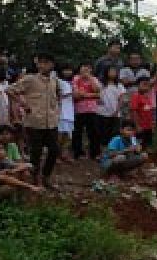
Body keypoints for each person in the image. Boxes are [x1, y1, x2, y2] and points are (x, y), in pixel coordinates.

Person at [10, 53, 61, 190]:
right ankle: (35, 179)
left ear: (52, 65)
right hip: (34, 122)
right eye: (40, 62)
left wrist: (56, 111)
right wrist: (23, 103)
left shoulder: (54, 80)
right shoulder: (30, 79)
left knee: (54, 150)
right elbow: (10, 90)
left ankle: (46, 177)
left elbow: (58, 96)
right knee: (36, 152)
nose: (43, 65)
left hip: (51, 122)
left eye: (46, 62)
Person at [71, 62, 102, 160]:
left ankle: (95, 153)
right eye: (84, 67)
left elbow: (98, 92)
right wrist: (92, 95)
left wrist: (90, 78)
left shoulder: (94, 79)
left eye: (88, 68)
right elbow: (76, 94)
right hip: (79, 110)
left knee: (94, 132)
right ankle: (78, 152)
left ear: (91, 70)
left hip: (92, 110)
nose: (86, 69)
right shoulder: (76, 78)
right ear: (79, 69)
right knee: (77, 132)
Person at [97, 65, 125, 151]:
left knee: (114, 133)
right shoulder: (100, 84)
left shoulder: (119, 85)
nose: (113, 73)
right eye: (111, 71)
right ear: (106, 72)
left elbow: (121, 99)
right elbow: (96, 94)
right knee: (102, 133)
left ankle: (112, 151)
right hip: (102, 112)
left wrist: (117, 110)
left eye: (114, 71)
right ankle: (103, 151)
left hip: (115, 113)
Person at [129, 75, 157, 148]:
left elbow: (150, 113)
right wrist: (137, 126)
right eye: (144, 84)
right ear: (138, 85)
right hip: (140, 127)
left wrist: (152, 126)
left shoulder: (147, 97)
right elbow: (133, 112)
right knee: (138, 146)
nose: (146, 86)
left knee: (148, 146)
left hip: (148, 127)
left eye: (147, 84)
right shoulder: (136, 96)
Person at [57, 64, 75, 162]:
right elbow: (56, 95)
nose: (68, 72)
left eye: (69, 70)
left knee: (67, 137)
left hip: (69, 113)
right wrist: (71, 93)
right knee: (58, 137)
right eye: (65, 70)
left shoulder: (71, 82)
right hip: (60, 112)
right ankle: (56, 156)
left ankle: (64, 155)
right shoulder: (57, 81)